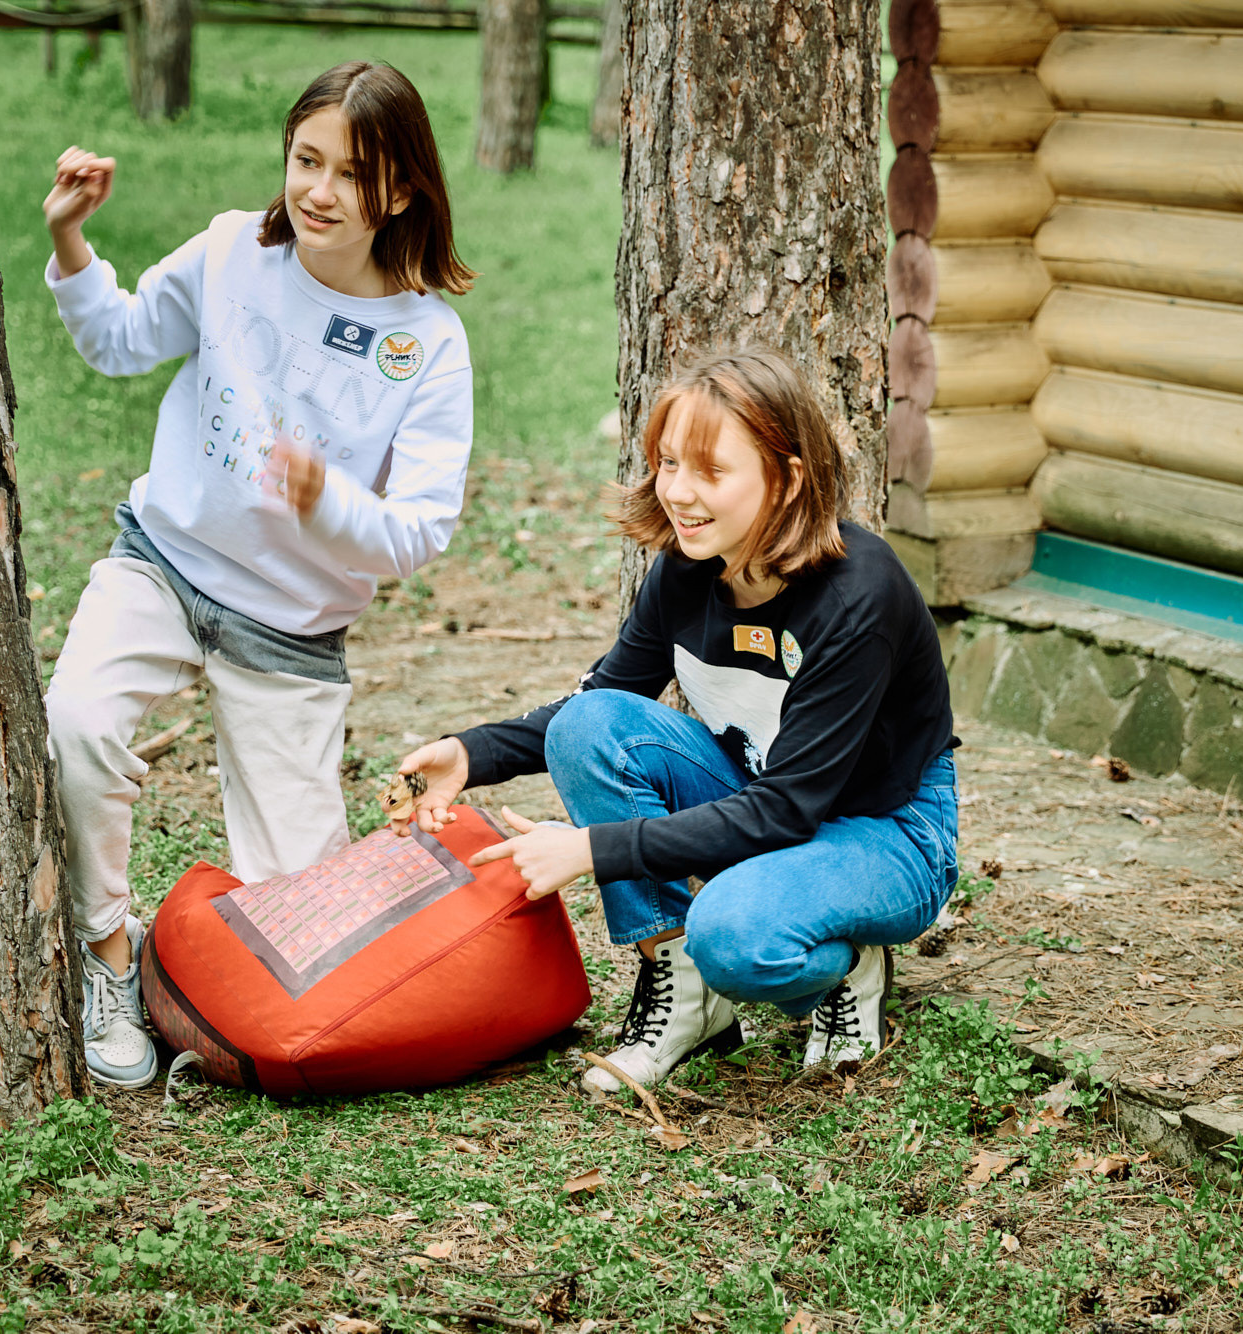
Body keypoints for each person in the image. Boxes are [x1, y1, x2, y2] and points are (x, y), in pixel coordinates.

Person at [40, 61, 477, 1088]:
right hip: (165, 562)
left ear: (402, 190)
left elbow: (418, 530)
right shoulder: (233, 249)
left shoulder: (428, 344)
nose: (317, 191)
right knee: (77, 726)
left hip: (288, 627)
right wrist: (69, 238)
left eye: (351, 173)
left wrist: (327, 497)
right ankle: (109, 953)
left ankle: (201, 1005)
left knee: (307, 922)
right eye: (304, 160)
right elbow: (117, 340)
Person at [392, 350, 958, 1092]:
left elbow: (789, 809)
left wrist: (595, 849)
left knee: (733, 935)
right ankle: (685, 992)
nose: (680, 494)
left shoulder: (859, 597)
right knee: (587, 729)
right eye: (667, 464)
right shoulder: (691, 566)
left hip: (888, 828)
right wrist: (472, 754)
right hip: (764, 794)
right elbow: (603, 702)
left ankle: (849, 963)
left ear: (785, 476)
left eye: (711, 472)